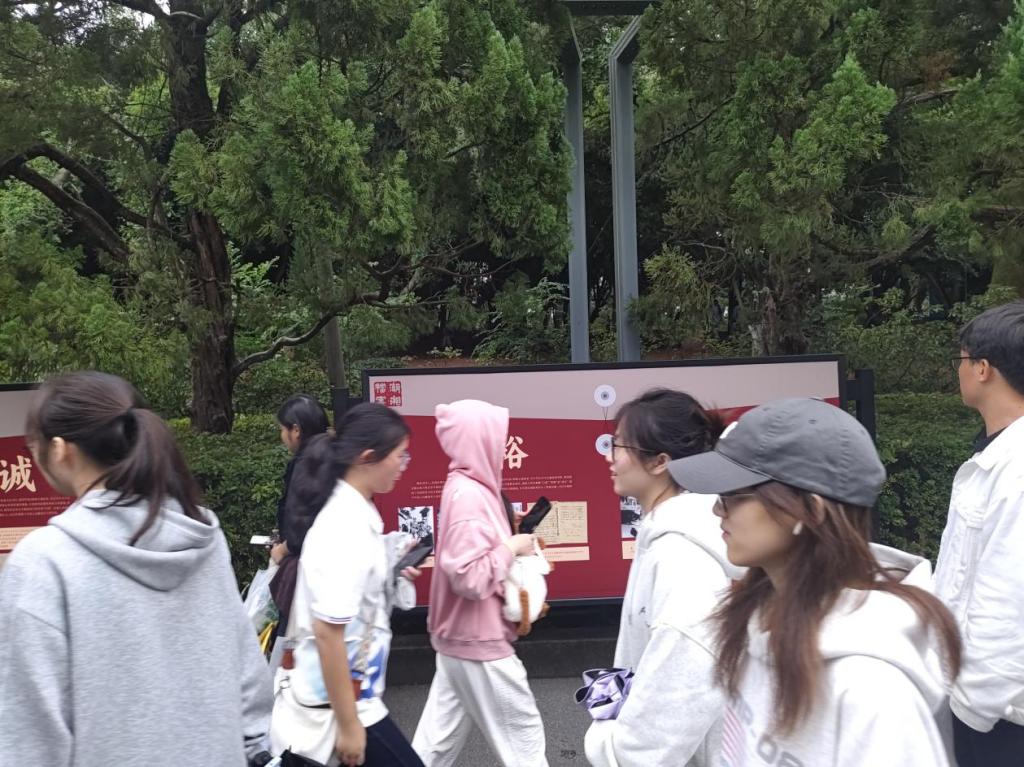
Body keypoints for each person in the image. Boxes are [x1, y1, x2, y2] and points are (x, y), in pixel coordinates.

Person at [668, 397, 962, 767]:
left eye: (732, 496)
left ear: (810, 511)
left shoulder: (872, 689)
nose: (716, 509)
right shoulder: (753, 617)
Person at [0, 371, 273, 766]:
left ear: (60, 450)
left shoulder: (44, 562)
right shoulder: (202, 537)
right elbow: (250, 684)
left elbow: (29, 740)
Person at [584, 389, 743, 767]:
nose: (608, 456)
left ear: (659, 462)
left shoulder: (681, 556)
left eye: (618, 445)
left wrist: (608, 744)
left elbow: (683, 682)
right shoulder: (666, 535)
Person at [270, 402, 424, 767]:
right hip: (342, 704)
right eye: (400, 456)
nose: (404, 465)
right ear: (368, 457)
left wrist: (389, 570)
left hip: (349, 696)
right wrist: (350, 724)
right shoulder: (343, 525)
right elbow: (328, 632)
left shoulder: (356, 509)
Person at [412, 399, 547, 767]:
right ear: (478, 440)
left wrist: (508, 529)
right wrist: (512, 546)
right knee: (524, 741)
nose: (502, 447)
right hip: (479, 637)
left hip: (458, 637)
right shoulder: (470, 496)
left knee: (434, 747)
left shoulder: (468, 487)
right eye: (496, 437)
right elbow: (469, 577)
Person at [934, 300, 1024, 766]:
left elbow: (1008, 597)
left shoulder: (1017, 470)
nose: (960, 371)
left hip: (1000, 716)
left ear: (983, 369)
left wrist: (974, 705)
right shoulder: (998, 455)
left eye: (962, 360)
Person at [272, 393, 330, 564]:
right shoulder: (333, 453)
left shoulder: (309, 463)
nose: (282, 435)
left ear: (296, 430)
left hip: (311, 561)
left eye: (282, 429)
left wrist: (282, 549)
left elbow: (305, 526)